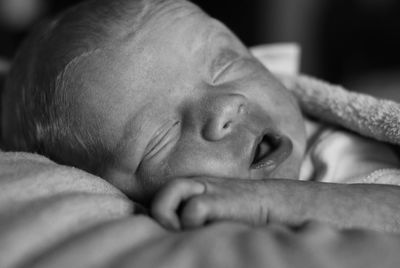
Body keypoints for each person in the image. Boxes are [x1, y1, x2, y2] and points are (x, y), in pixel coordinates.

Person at [2, 0, 400, 232]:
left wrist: (275, 202)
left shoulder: (343, 149)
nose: (224, 107)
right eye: (161, 135)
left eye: (226, 66)